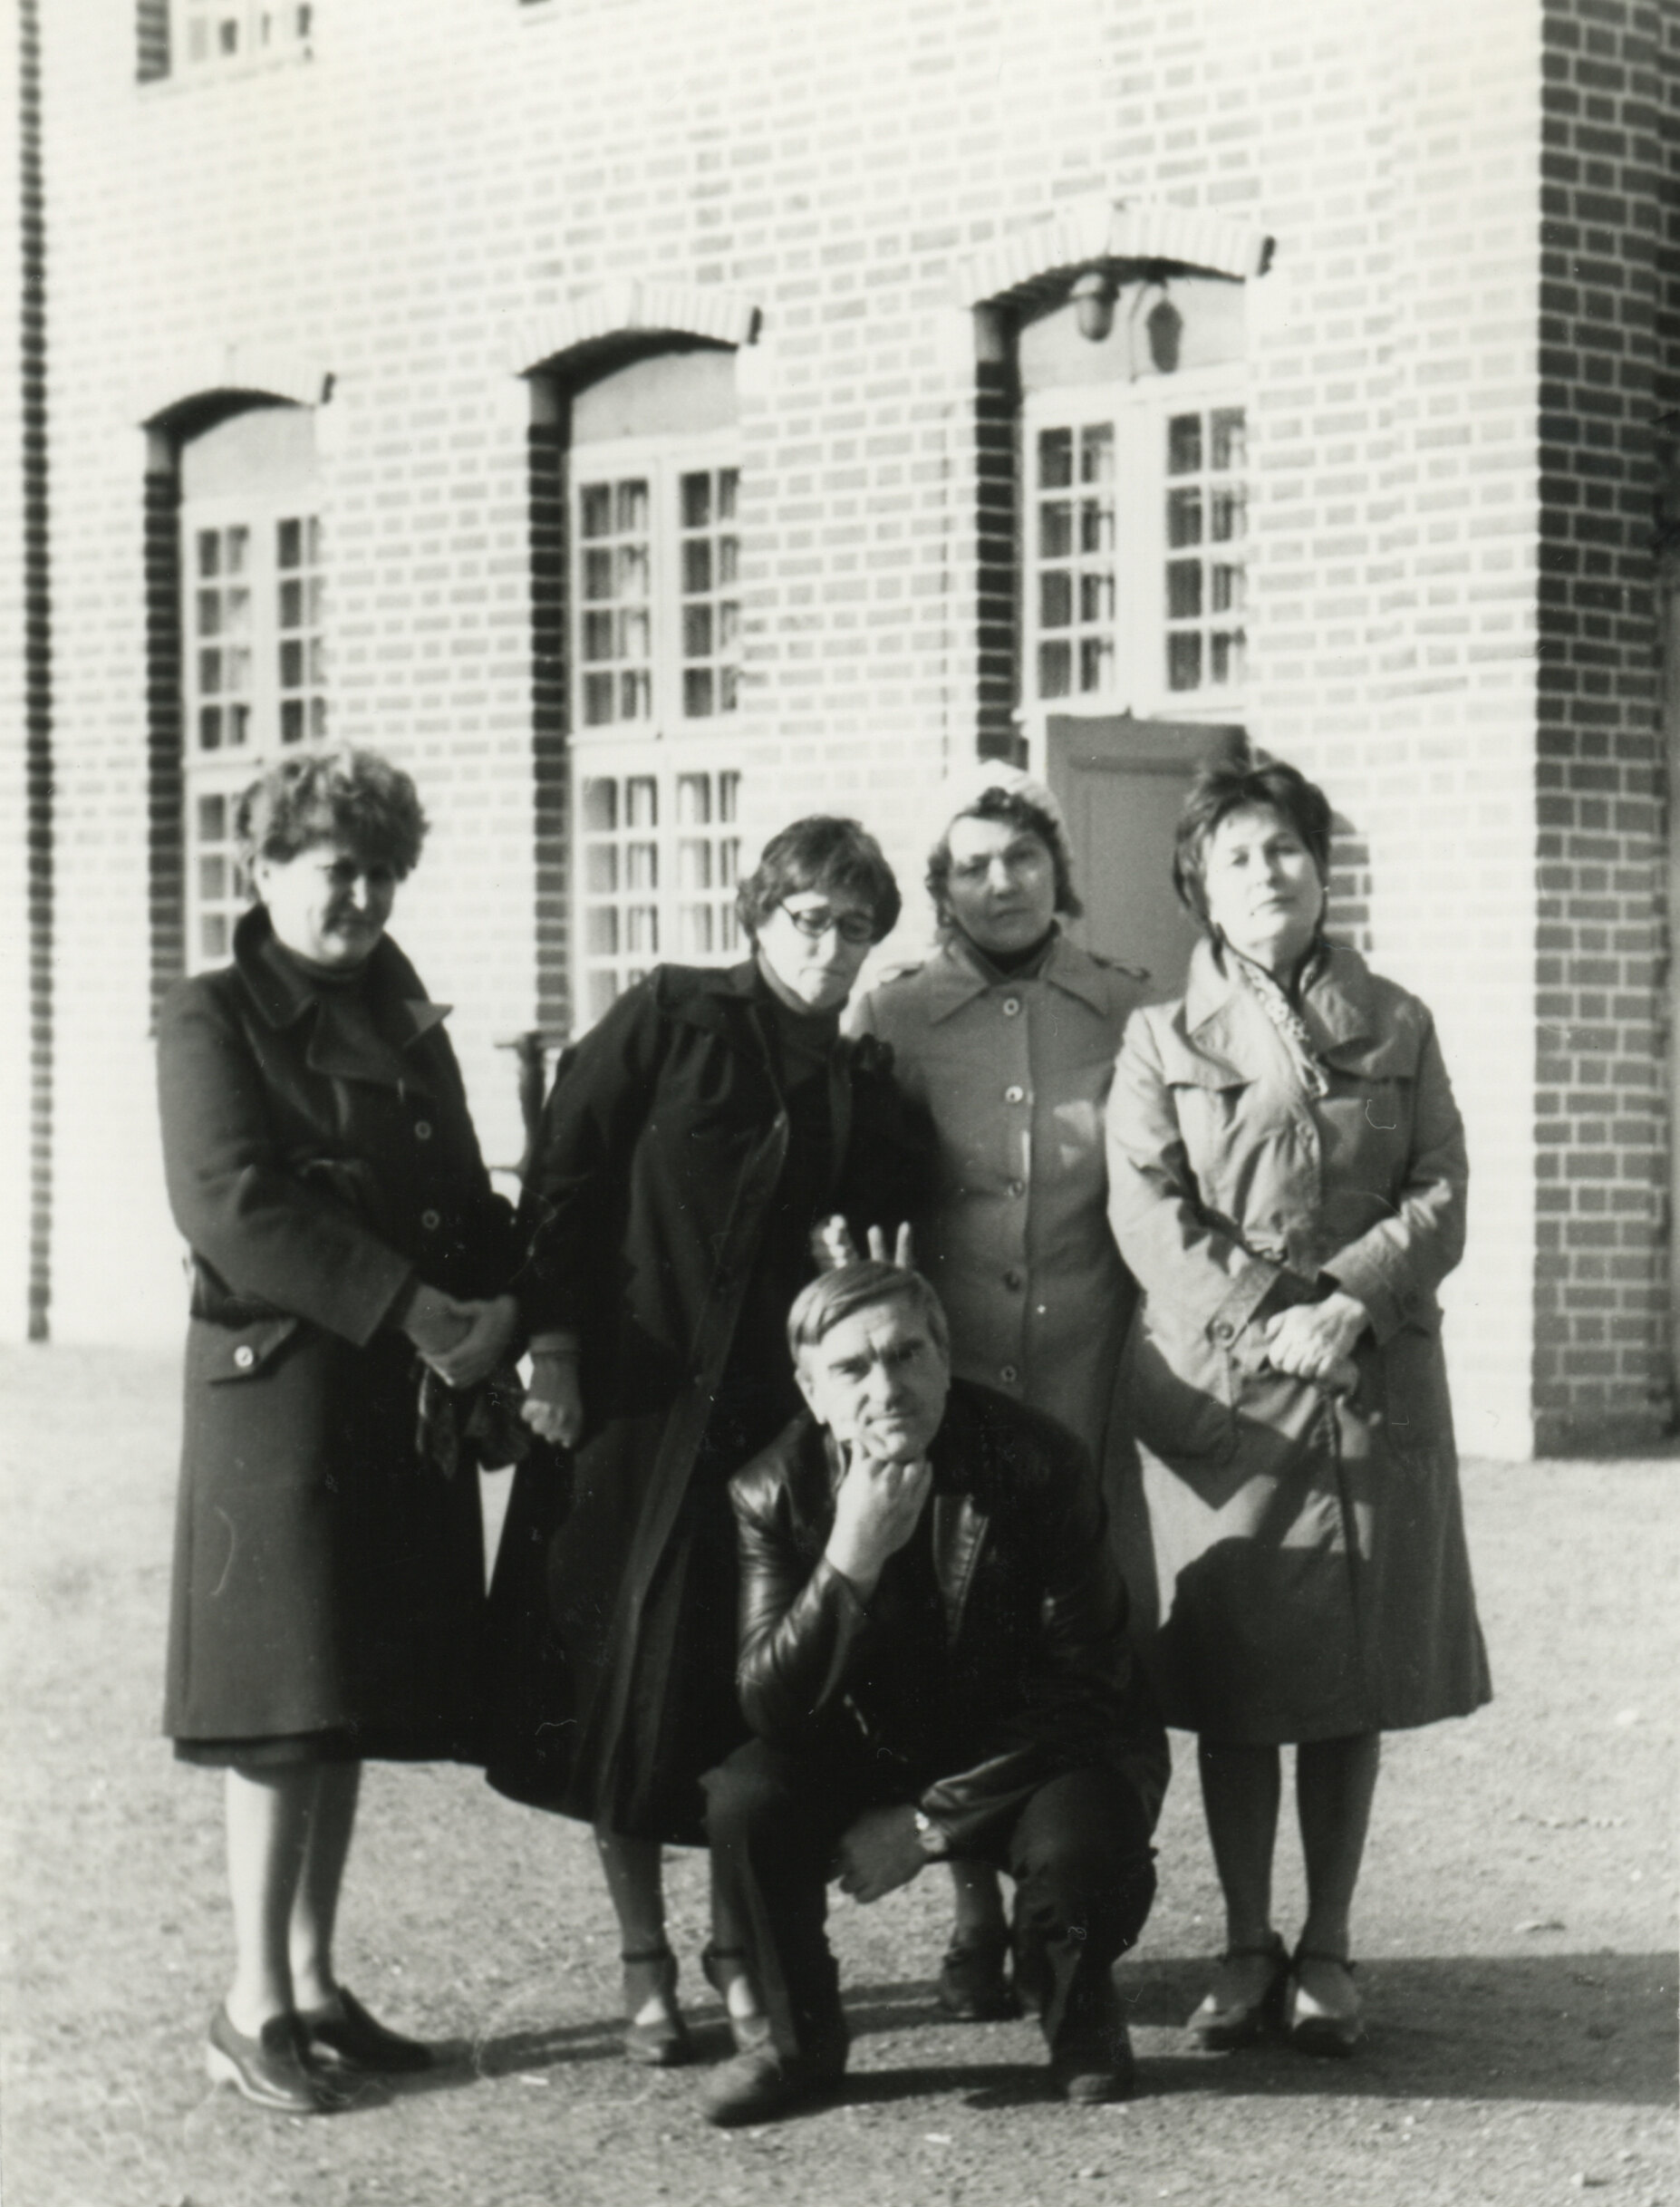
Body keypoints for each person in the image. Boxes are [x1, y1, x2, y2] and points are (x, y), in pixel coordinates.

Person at [484, 817, 934, 2067]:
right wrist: (552, 1347)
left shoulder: (859, 1080)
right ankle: (644, 1954)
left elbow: (874, 1250)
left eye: (855, 927)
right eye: (808, 918)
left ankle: (741, 1946)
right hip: (628, 1410)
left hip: (763, 1431)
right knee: (613, 1689)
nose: (829, 946)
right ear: (759, 914)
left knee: (740, 1694)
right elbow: (562, 1177)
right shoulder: (671, 1016)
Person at [1105, 746, 1491, 2058]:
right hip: (1230, 1400)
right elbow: (1146, 1209)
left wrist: (1352, 1301)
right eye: (1235, 855)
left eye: (1284, 848)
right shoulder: (1159, 1038)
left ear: (1321, 869)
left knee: (1347, 1677)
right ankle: (1243, 1943)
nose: (1265, 871)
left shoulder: (1401, 1020)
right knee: (1236, 1679)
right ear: (1199, 888)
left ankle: (1326, 1946)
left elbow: (1441, 1187)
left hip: (1370, 1382)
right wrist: (1268, 1317)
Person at [157, 748, 521, 2114]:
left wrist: (501, 1301)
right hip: (283, 1398)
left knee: (343, 1695)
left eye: (379, 871)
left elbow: (457, 1190)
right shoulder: (209, 1014)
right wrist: (414, 1303)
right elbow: (230, 1204)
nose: (359, 895)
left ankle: (311, 1984)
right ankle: (248, 2001)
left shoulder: (403, 1013)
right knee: (279, 1710)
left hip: (391, 1395)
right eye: (332, 868)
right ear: (261, 870)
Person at [697, 1259, 1169, 2126]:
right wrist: (851, 1557)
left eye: (907, 1354)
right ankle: (797, 2045)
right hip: (868, 1744)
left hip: (1031, 1746)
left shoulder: (1038, 1461)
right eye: (851, 1368)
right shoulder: (770, 1489)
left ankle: (1079, 2012)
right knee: (744, 1799)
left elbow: (1087, 1690)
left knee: (1087, 1833)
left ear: (946, 1358)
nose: (886, 1388)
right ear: (811, 1393)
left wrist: (925, 1826)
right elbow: (769, 1705)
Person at [849, 762, 1145, 2018]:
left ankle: (1062, 1913)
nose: (1001, 881)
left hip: (1087, 1382)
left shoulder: (1126, 1006)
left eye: (1022, 856)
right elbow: (861, 1188)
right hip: (955, 1374)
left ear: (1056, 870)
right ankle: (974, 1913)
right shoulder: (894, 1013)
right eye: (971, 864)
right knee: (961, 1643)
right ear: (941, 886)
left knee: (1084, 1645)